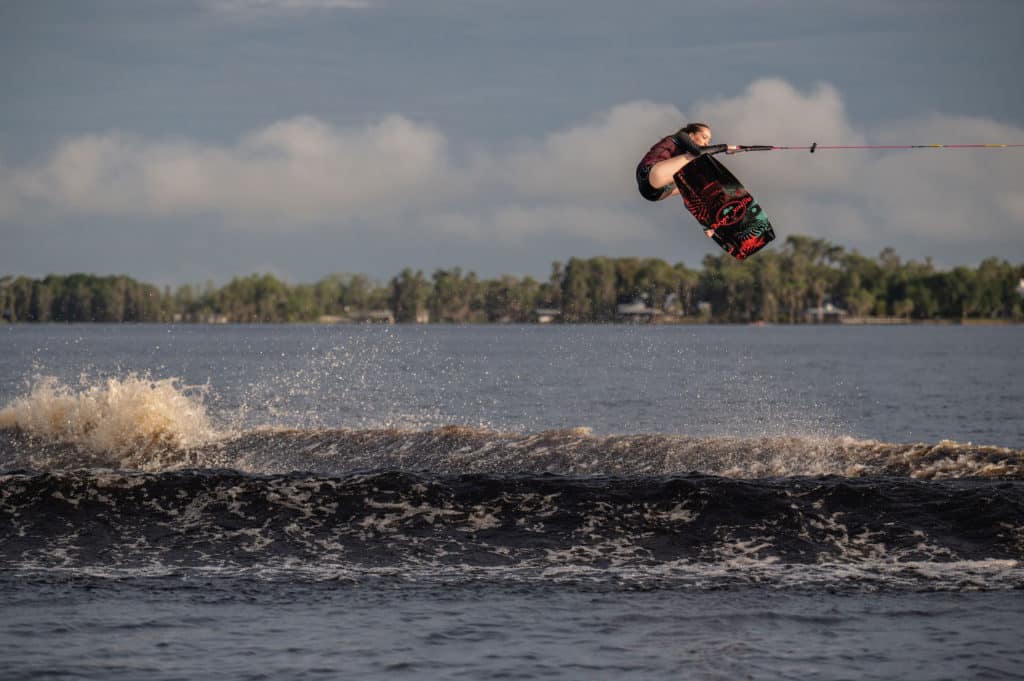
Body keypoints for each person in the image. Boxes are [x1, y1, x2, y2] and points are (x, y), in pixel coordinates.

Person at [636, 123, 738, 202]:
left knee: (696, 180)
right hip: (649, 174)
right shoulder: (681, 136)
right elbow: (698, 152)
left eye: (709, 140)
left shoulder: (684, 158)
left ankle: (708, 223)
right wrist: (726, 147)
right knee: (695, 159)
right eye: (704, 137)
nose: (706, 143)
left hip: (657, 194)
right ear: (692, 136)